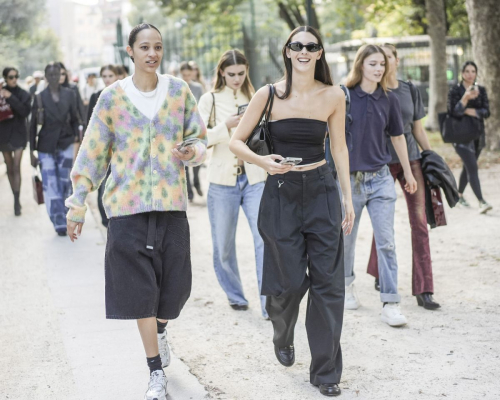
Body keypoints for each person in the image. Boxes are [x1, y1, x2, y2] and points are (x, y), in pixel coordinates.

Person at [65, 23, 207, 400]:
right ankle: (155, 371)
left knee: (174, 293)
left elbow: (199, 138)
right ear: (129, 51)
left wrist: (192, 152)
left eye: (158, 47)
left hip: (171, 207)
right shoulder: (111, 99)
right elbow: (92, 154)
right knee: (140, 294)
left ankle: (162, 328)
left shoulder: (178, 91)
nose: (152, 53)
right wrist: (77, 205)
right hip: (126, 212)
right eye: (144, 46)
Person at [230, 26, 354, 397]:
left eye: (311, 46)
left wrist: (347, 197)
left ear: (319, 53)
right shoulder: (268, 95)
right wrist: (263, 161)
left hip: (321, 191)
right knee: (285, 285)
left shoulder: (333, 95)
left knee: (329, 284)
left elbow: (340, 148)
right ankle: (282, 333)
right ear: (287, 51)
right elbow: (237, 142)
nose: (303, 51)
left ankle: (327, 372)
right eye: (296, 45)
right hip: (280, 194)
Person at [342, 44, 417, 327]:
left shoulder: (390, 99)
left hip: (381, 180)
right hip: (350, 182)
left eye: (382, 64)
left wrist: (408, 174)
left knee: (386, 242)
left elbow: (398, 137)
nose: (378, 69)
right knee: (347, 241)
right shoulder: (345, 96)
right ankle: (346, 285)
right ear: (361, 65)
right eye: (373, 63)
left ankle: (390, 302)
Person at [365, 44, 440, 310]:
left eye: (387, 58)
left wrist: (431, 158)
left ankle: (424, 288)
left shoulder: (410, 90)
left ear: (396, 61)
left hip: (412, 160)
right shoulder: (373, 90)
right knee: (382, 221)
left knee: (419, 223)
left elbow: (417, 128)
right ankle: (379, 271)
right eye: (378, 59)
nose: (383, 64)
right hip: (381, 162)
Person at [198, 49, 269, 318]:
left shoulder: (257, 97)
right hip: (222, 181)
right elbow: (198, 139)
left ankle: (267, 304)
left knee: (264, 239)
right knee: (223, 244)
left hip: (255, 179)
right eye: (231, 74)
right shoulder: (210, 100)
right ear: (221, 73)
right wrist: (225, 126)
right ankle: (235, 295)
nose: (237, 78)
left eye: (241, 73)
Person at [29, 62, 80, 235]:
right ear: (45, 76)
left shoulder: (69, 94)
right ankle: (58, 221)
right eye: (49, 74)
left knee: (65, 183)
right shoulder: (39, 96)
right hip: (45, 145)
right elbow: (32, 125)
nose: (52, 77)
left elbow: (75, 119)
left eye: (55, 74)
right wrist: (31, 152)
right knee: (50, 184)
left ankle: (66, 214)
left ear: (60, 75)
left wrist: (77, 143)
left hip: (65, 142)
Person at [447, 61, 491, 214]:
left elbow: (486, 112)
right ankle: (481, 201)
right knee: (472, 167)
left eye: (473, 71)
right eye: (467, 71)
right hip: (460, 137)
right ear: (462, 73)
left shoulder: (481, 90)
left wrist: (468, 111)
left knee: (468, 167)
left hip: (478, 136)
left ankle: (458, 196)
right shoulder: (455, 91)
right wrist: (465, 99)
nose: (470, 74)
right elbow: (453, 113)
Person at [86, 64, 119, 227]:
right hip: (103, 149)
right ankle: (106, 220)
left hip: (122, 149)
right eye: (104, 76)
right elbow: (89, 126)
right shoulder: (95, 96)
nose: (107, 79)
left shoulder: (124, 94)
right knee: (103, 185)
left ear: (117, 76)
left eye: (110, 76)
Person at [0, 67, 31, 216]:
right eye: (11, 77)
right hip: (3, 135)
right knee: (9, 167)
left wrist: (10, 96)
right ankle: (14, 196)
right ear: (5, 78)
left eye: (16, 76)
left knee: (17, 167)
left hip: (18, 134)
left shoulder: (23, 93)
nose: (14, 79)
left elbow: (25, 112)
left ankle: (16, 202)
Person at [180, 61, 204, 201]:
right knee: (185, 159)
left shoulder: (198, 87)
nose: (186, 77)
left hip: (195, 126)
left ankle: (196, 181)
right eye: (184, 75)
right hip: (182, 127)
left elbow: (202, 106)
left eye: (188, 75)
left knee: (197, 155)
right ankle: (189, 191)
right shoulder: (177, 88)